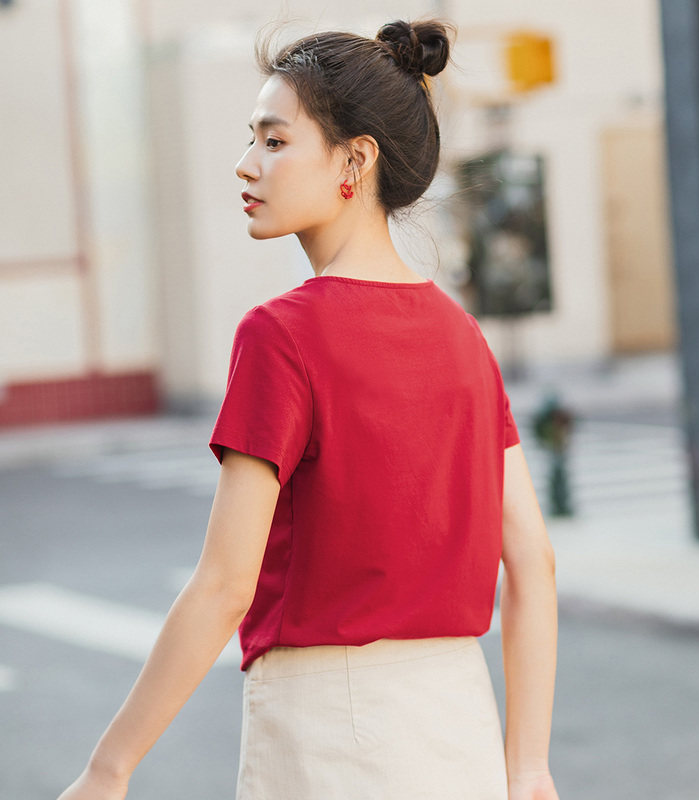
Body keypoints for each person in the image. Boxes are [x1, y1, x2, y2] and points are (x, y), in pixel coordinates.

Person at [56, 17, 559, 800]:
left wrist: (108, 768)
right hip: (462, 728)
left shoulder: (283, 336)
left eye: (274, 141)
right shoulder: (462, 337)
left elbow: (226, 585)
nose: (245, 165)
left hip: (328, 735)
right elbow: (531, 561)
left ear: (355, 160)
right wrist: (527, 766)